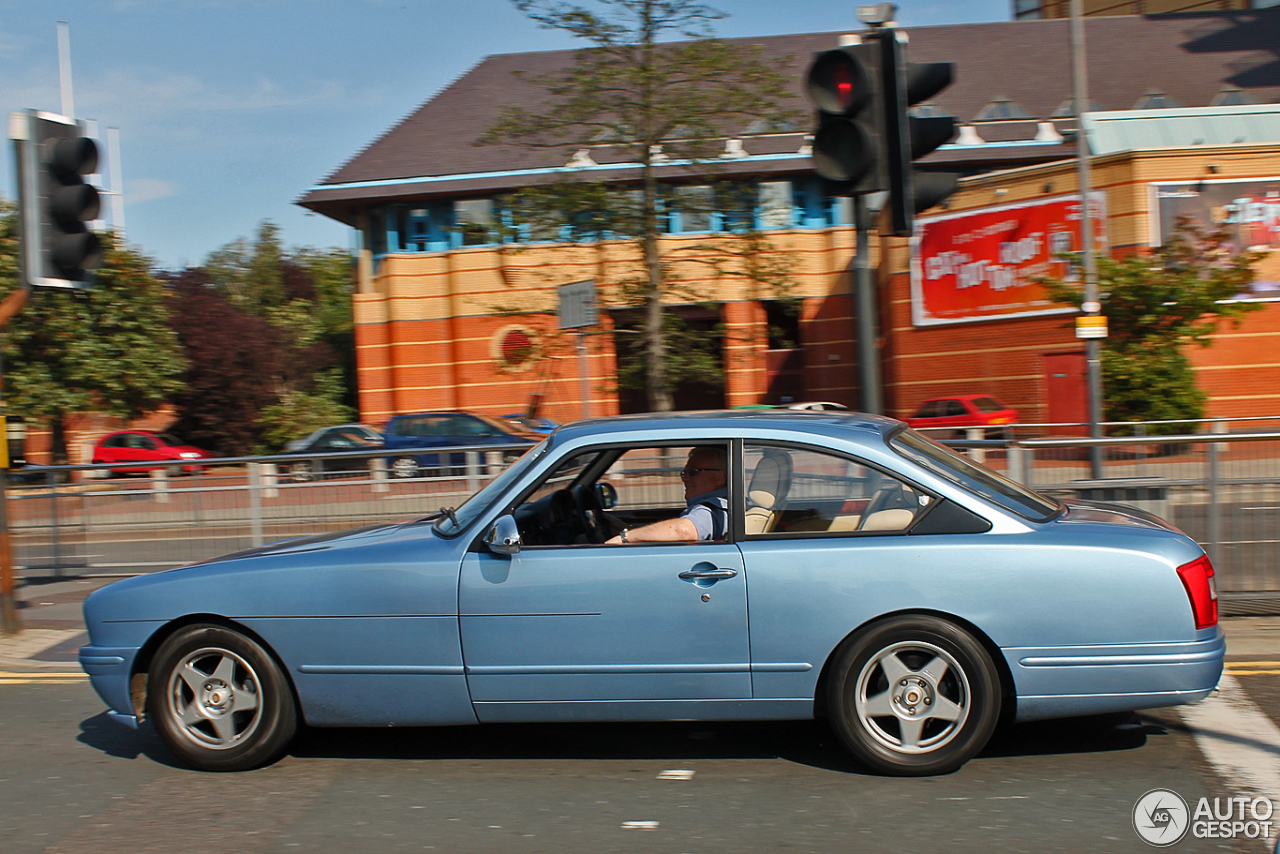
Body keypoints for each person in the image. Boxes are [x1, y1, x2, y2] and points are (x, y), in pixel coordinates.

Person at [606, 446, 728, 544]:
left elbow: (683, 530)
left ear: (720, 477)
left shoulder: (714, 507)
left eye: (693, 472)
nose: (685, 478)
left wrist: (624, 538)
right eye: (684, 473)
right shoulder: (725, 503)